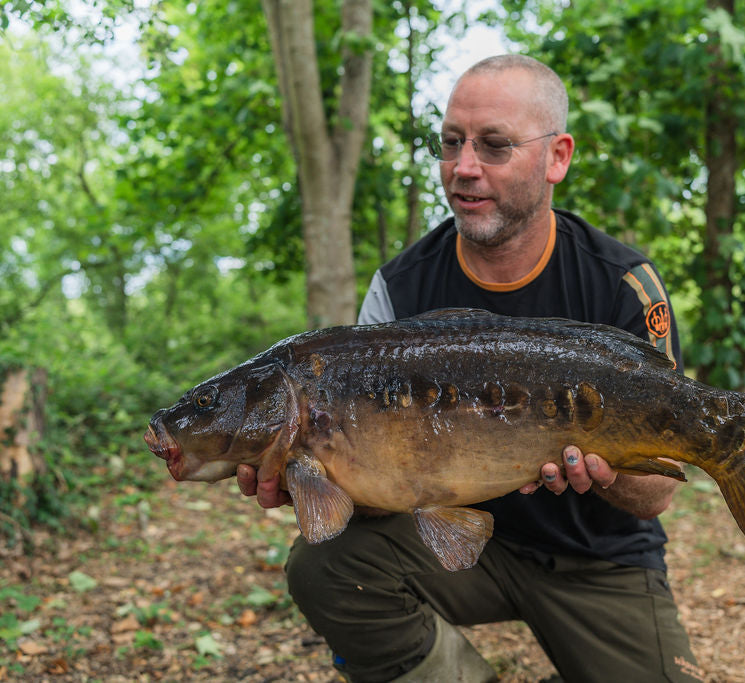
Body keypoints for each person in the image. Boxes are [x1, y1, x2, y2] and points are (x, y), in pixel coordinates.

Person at [238, 54, 704, 683]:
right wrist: (323, 481)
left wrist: (609, 472)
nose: (463, 168)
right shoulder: (400, 289)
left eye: (494, 146)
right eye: (451, 143)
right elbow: (373, 487)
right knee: (324, 567)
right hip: (450, 546)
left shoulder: (622, 284)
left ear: (557, 158)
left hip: (601, 560)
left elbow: (658, 494)